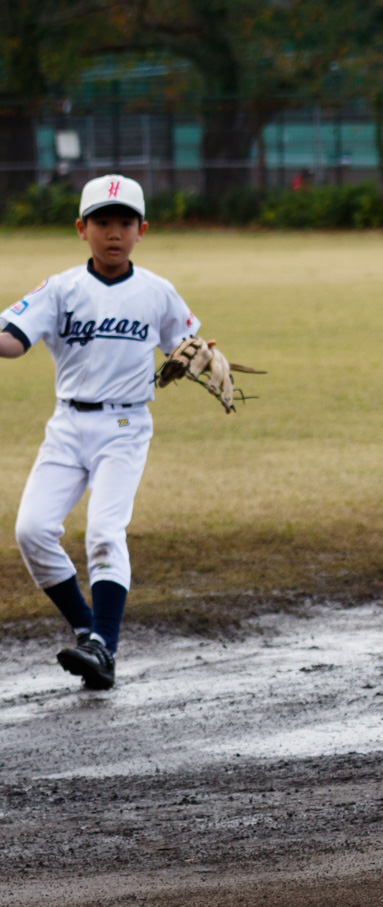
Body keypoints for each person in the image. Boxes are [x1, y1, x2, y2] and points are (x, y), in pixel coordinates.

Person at [1, 174, 209, 690]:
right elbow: (12, 341)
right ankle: (89, 630)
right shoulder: (62, 288)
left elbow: (190, 345)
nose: (112, 233)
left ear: (142, 230)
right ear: (81, 228)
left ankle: (105, 648)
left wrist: (203, 356)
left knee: (103, 532)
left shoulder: (156, 292)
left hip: (125, 425)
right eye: (101, 222)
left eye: (124, 223)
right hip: (68, 425)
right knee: (31, 530)